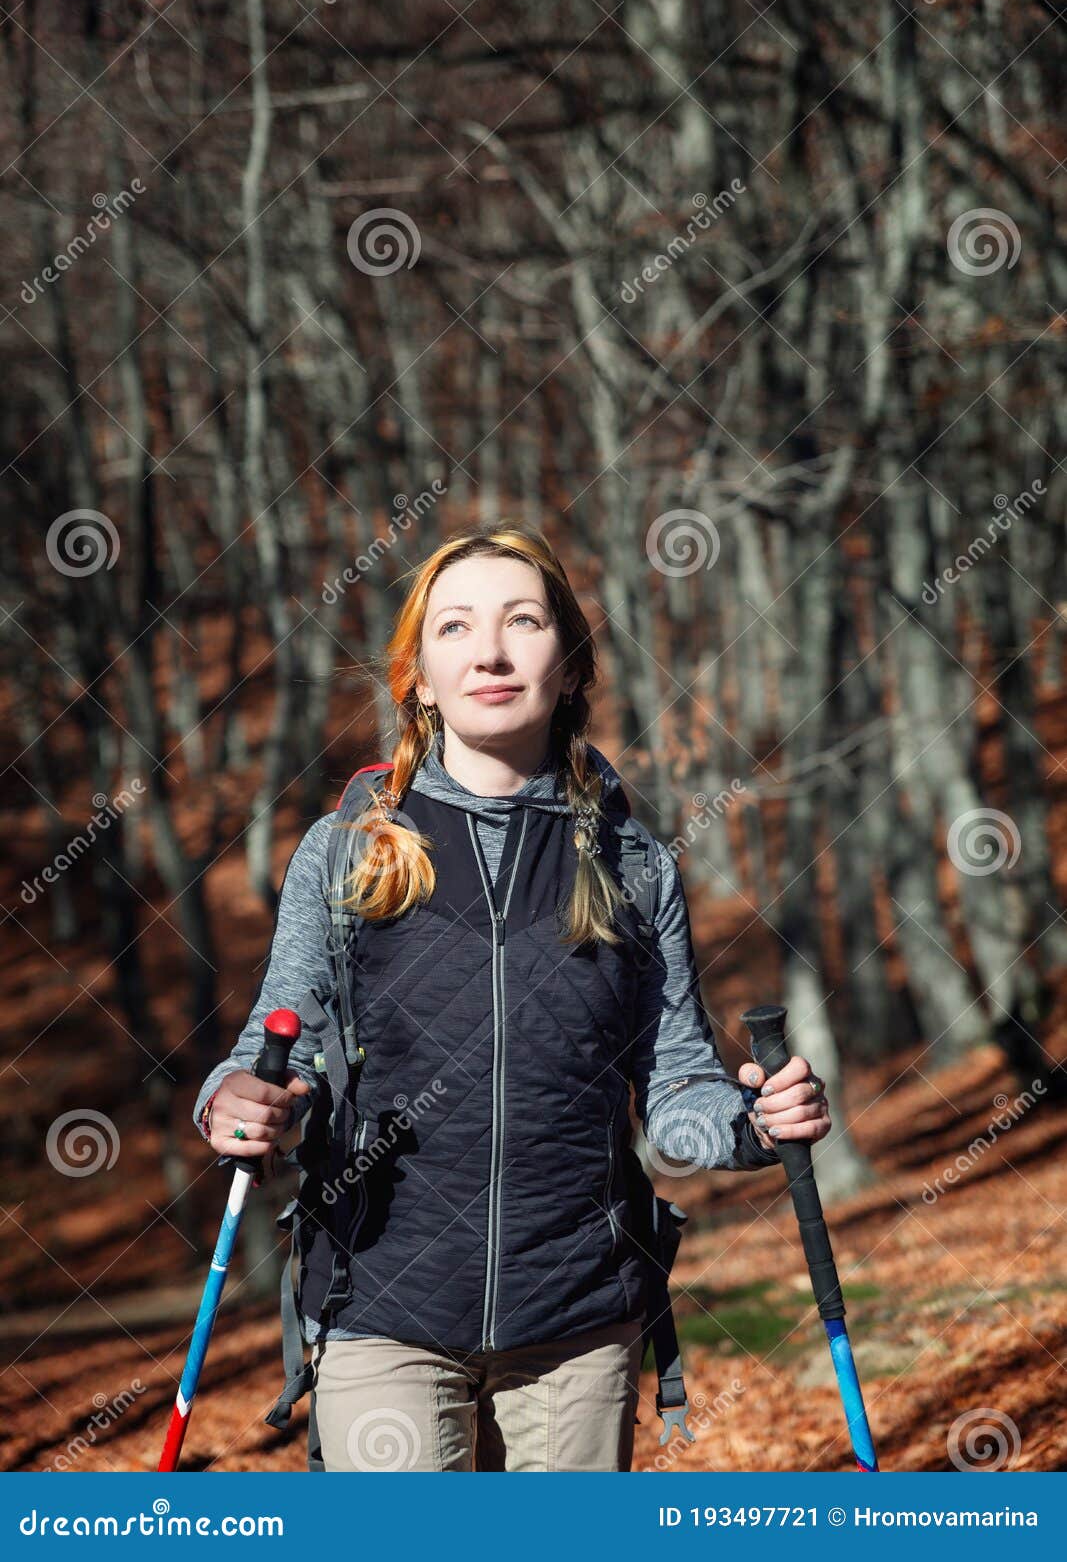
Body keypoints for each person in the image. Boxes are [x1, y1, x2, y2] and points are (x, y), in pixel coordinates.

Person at [194, 521, 832, 1472]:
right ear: (416, 675)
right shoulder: (346, 855)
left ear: (570, 666)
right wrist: (236, 1102)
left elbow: (675, 1095)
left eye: (522, 622)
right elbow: (269, 1054)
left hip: (578, 1318)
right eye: (454, 629)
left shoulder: (637, 869)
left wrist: (753, 1123)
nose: (489, 651)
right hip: (380, 1304)